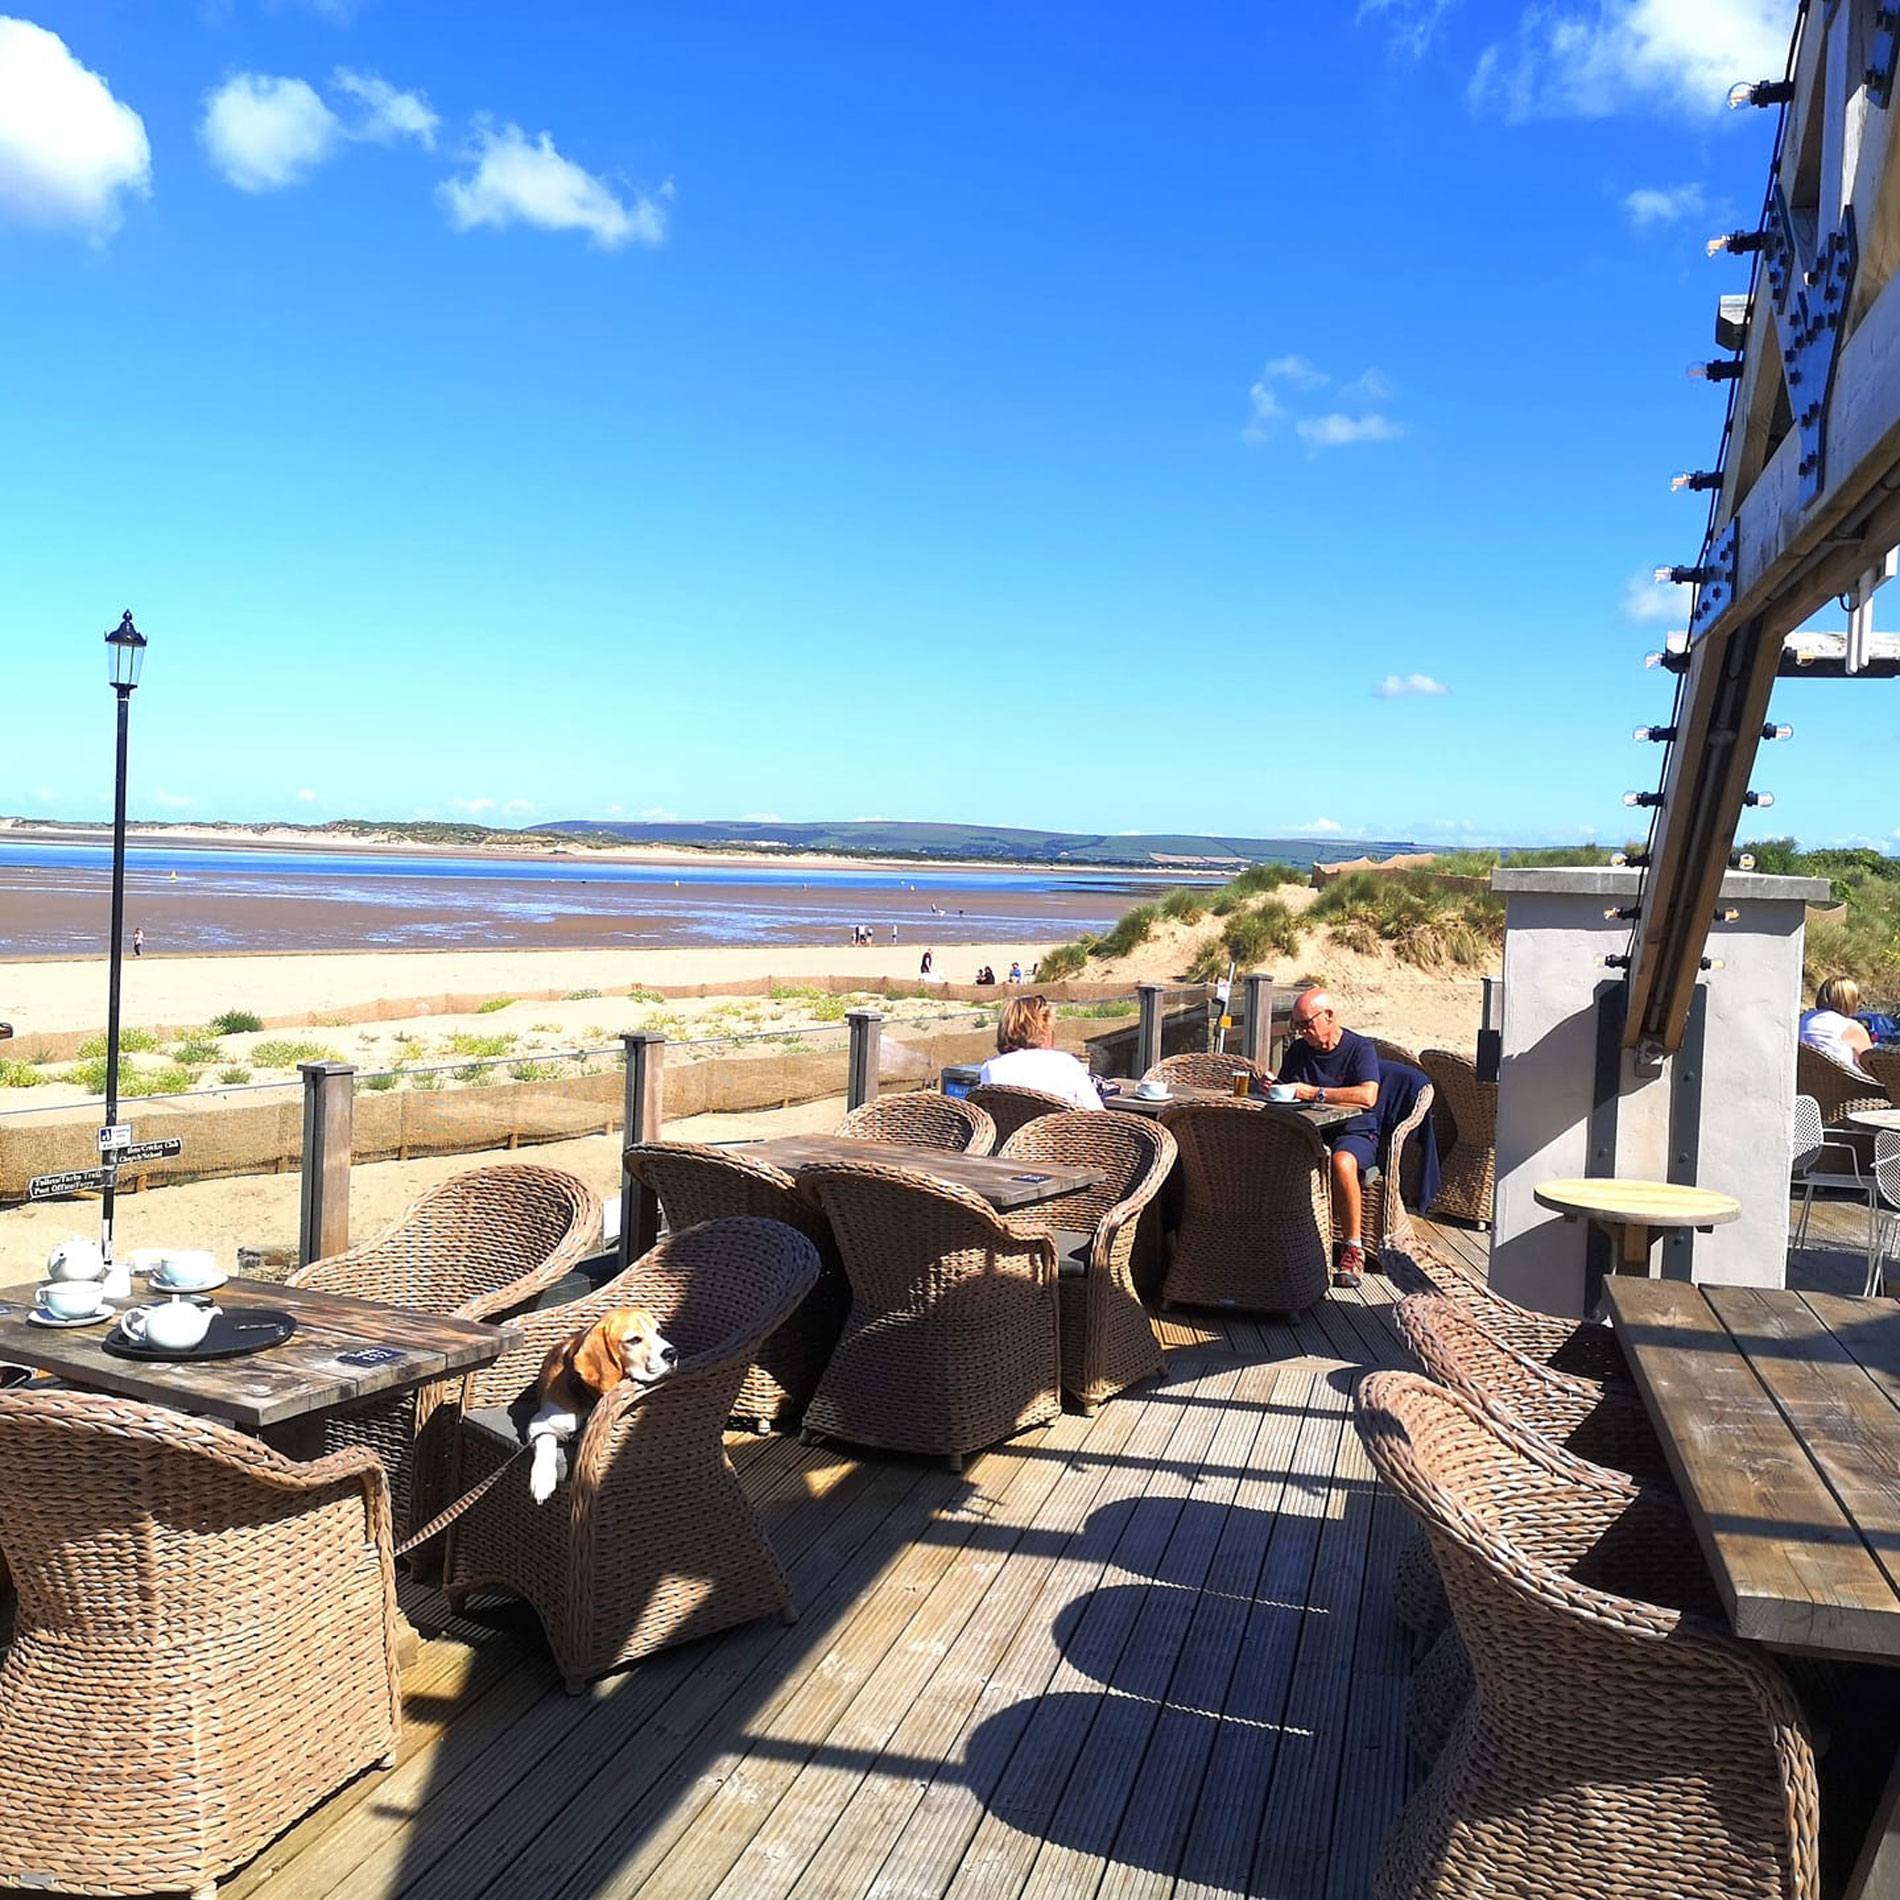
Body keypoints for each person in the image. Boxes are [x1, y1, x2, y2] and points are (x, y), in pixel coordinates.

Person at [1274, 988, 1379, 1287]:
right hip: (1307, 1129)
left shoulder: (1360, 1048)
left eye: (1306, 1024)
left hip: (1353, 1129)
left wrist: (1314, 1092)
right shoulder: (1298, 1050)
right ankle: (1274, 1242)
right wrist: (1272, 1086)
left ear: (1329, 1016)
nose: (1302, 1032)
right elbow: (1286, 1088)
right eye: (1297, 1025)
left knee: (1343, 1162)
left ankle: (1352, 1249)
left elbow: (1368, 1096)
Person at [979, 994, 1102, 1110]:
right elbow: (1096, 1114)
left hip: (1012, 1132)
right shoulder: (1066, 1063)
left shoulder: (990, 1068)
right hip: (1059, 1131)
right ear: (1045, 1029)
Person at [1801, 975, 1874, 1071]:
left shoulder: (1804, 1019)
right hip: (1846, 1084)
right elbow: (1871, 1067)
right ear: (1850, 1000)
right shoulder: (1851, 1027)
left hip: (1804, 1079)